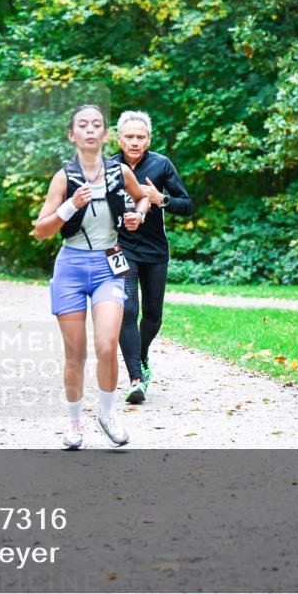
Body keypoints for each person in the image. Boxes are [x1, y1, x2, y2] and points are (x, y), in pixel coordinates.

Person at [33, 104, 151, 450]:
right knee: (76, 352)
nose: (89, 130)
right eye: (82, 125)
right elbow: (41, 230)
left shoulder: (119, 172)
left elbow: (143, 198)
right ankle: (73, 424)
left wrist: (138, 217)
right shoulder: (63, 178)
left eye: (96, 125)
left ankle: (108, 413)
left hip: (108, 266)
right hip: (70, 266)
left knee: (105, 344)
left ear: (104, 135)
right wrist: (70, 205)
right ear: (72, 135)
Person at [112, 111, 194, 404]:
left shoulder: (161, 165)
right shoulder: (108, 167)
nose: (135, 142)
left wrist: (162, 200)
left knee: (153, 316)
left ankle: (141, 351)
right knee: (127, 309)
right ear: (119, 139)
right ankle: (136, 377)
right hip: (119, 248)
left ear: (148, 141)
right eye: (129, 137)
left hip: (155, 251)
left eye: (140, 137)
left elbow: (187, 205)